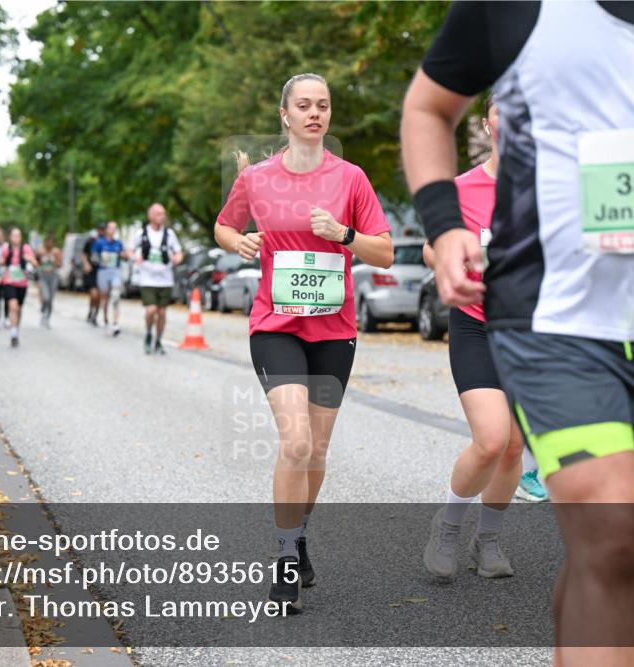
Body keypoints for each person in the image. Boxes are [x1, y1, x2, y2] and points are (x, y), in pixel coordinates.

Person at [403, 1, 634, 662]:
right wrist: (445, 227)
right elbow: (428, 107)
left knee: (612, 554)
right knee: (612, 536)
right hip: (547, 314)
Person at [215, 73, 393, 613]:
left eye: (323, 105)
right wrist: (239, 239)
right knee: (295, 443)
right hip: (275, 324)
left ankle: (300, 533)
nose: (315, 113)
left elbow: (384, 253)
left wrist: (342, 234)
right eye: (304, 105)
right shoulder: (259, 178)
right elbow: (224, 226)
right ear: (285, 116)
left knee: (316, 450)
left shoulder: (351, 178)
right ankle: (286, 555)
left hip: (333, 330)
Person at [421, 96, 524, 580]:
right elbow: (429, 248)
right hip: (476, 324)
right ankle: (448, 524)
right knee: (490, 438)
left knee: (513, 447)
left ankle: (489, 541)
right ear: (488, 121)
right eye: (503, 109)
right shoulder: (461, 189)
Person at [132, 203, 183, 354]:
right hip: (147, 278)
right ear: (151, 216)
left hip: (165, 278)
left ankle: (158, 340)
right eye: (159, 213)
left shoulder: (169, 234)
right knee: (151, 309)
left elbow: (179, 252)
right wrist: (136, 258)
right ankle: (148, 333)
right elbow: (129, 251)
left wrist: (176, 259)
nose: (162, 216)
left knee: (161, 312)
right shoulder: (141, 234)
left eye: (163, 213)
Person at [0, 227, 36, 348]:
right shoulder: (6, 249)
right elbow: (0, 262)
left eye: (18, 235)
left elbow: (35, 263)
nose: (16, 238)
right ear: (10, 237)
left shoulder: (26, 249)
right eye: (14, 235)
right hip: (9, 281)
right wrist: (1, 261)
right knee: (13, 306)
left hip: (22, 283)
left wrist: (30, 259)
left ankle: (16, 329)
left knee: (19, 309)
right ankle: (13, 334)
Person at [92, 221, 129, 336]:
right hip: (103, 271)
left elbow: (126, 256)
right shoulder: (99, 243)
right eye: (111, 228)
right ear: (107, 229)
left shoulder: (118, 243)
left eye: (115, 228)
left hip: (115, 271)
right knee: (105, 297)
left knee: (116, 295)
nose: (113, 230)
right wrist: (102, 258)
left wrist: (122, 254)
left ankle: (115, 322)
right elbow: (93, 257)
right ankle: (106, 318)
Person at [35, 235, 62, 328]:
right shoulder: (40, 250)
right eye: (48, 241)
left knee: (50, 299)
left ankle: (47, 318)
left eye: (52, 242)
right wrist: (39, 255)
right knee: (45, 297)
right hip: (43, 276)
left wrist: (52, 259)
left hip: (53, 277)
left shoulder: (56, 251)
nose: (50, 244)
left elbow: (59, 264)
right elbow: (36, 262)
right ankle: (43, 310)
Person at [82, 223, 106, 326]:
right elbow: (83, 253)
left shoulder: (107, 242)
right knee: (93, 294)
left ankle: (95, 314)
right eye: (100, 229)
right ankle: (91, 310)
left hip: (102, 270)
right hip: (92, 270)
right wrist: (86, 264)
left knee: (99, 296)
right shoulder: (91, 241)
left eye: (103, 229)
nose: (102, 231)